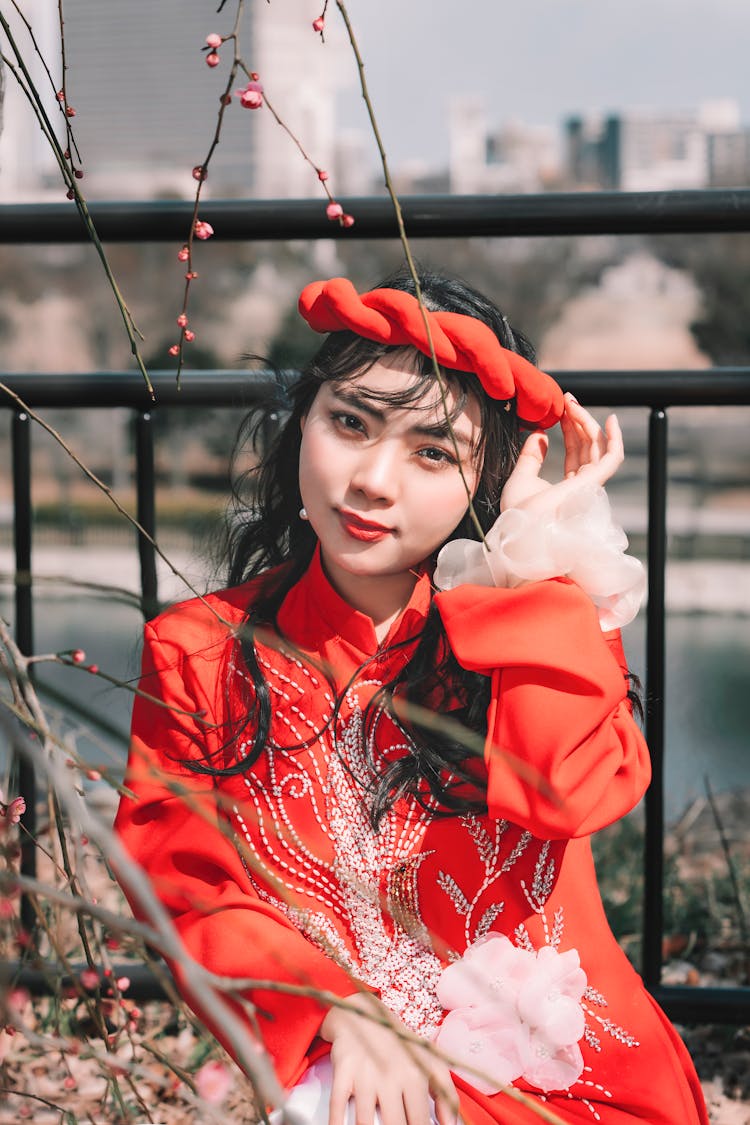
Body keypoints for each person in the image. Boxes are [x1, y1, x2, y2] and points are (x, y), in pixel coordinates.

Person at [114, 267, 708, 1125]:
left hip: (578, 1083)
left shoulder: (528, 621)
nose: (373, 481)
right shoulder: (198, 651)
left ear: (485, 484)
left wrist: (537, 561)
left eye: (434, 452)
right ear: (302, 423)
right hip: (362, 1074)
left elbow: (573, 792)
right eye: (349, 423)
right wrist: (334, 1006)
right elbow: (181, 880)